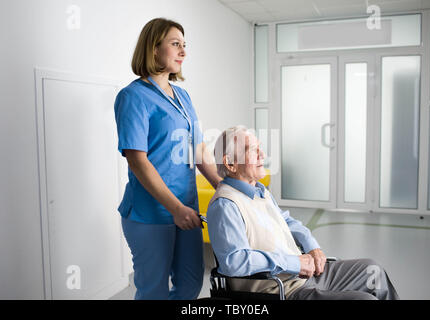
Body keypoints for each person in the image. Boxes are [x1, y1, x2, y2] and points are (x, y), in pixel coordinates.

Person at [207, 126, 399, 300]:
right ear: (230, 163)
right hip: (283, 290)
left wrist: (311, 245)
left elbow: (286, 221)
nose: (262, 155)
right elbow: (235, 261)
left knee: (373, 272)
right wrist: (294, 263)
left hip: (304, 274)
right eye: (253, 150)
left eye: (260, 148)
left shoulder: (259, 191)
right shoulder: (226, 205)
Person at [114, 18, 221, 300]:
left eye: (184, 45)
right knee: (154, 291)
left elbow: (198, 150)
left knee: (190, 284)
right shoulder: (133, 96)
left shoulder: (183, 96)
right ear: (153, 49)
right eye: (175, 44)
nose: (183, 51)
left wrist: (223, 185)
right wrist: (174, 208)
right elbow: (137, 161)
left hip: (186, 209)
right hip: (151, 213)